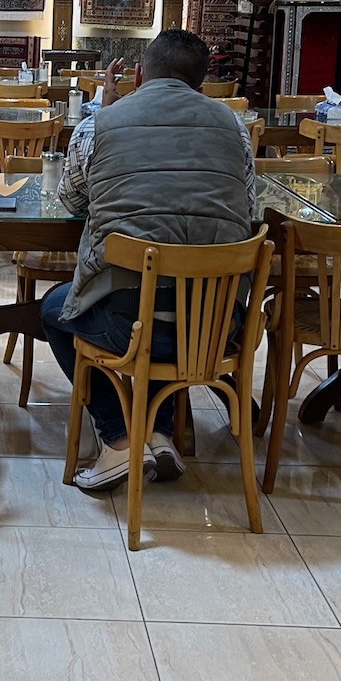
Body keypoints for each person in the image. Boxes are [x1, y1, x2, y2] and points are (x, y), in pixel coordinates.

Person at [41, 29, 256, 492]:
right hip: (216, 326)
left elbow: (72, 200)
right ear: (202, 85)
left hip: (125, 323)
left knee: (53, 310)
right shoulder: (234, 128)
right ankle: (157, 433)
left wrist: (110, 112)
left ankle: (119, 439)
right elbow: (249, 208)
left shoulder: (98, 125)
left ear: (139, 74)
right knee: (177, 296)